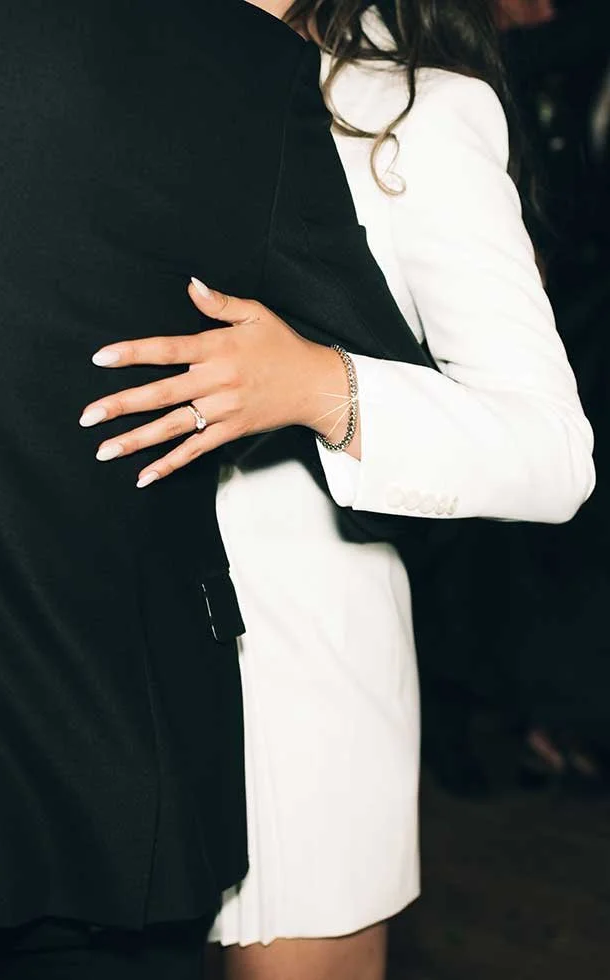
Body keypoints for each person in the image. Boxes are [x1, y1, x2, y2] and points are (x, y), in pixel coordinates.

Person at [0, 1, 439, 977]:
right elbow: (390, 387)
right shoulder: (227, 63)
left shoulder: (394, 98)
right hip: (72, 739)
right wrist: (322, 382)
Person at [82, 1, 595, 978]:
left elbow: (550, 450)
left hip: (296, 654)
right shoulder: (96, 67)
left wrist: (319, 385)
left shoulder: (410, 109)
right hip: (84, 636)